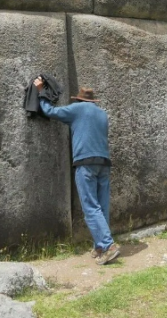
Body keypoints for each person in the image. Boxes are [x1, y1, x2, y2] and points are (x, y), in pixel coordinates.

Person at [33, 81, 120, 265]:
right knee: (101, 206)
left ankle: (108, 245)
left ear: (79, 99)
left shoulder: (77, 109)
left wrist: (41, 91)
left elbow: (51, 112)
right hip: (103, 163)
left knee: (90, 208)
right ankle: (100, 246)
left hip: (86, 163)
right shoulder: (102, 114)